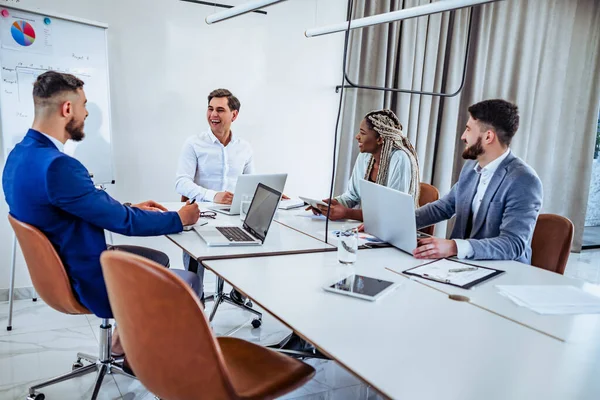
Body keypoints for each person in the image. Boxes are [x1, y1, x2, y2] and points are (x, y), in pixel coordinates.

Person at [2, 71, 200, 356]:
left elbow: (79, 207)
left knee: (157, 258)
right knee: (189, 281)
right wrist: (180, 218)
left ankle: (123, 345)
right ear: (67, 109)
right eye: (83, 105)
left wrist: (130, 207)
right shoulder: (58, 166)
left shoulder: (19, 155)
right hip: (86, 279)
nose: (85, 113)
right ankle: (161, 365)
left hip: (57, 272)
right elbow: (123, 222)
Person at [413, 99, 543, 264]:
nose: (463, 136)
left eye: (468, 130)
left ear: (488, 136)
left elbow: (513, 244)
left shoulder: (524, 180)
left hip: (502, 271)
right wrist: (398, 222)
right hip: (463, 266)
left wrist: (454, 247)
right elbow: (443, 207)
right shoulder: (471, 168)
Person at [175, 88, 253, 303]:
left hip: (234, 217)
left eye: (220, 109)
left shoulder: (244, 147)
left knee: (259, 241)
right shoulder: (194, 143)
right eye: (210, 109)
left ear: (234, 115)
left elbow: (250, 183)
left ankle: (240, 292)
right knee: (194, 261)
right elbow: (181, 182)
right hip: (200, 216)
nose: (213, 115)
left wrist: (270, 192)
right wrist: (212, 196)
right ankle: (195, 301)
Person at [311, 109, 420, 221]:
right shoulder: (365, 156)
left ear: (379, 139)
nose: (357, 137)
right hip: (371, 227)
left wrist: (347, 213)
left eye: (363, 133)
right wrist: (330, 205)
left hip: (395, 229)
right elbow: (352, 196)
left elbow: (392, 212)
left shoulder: (400, 159)